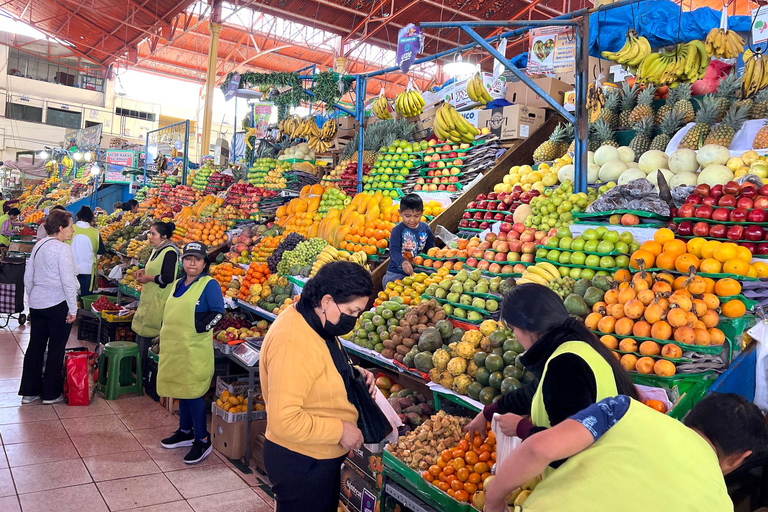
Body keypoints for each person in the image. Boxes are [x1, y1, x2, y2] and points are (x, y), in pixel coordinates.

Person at [484, 393, 767, 512]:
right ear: (742, 457)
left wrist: (494, 501)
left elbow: (539, 447)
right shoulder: (719, 506)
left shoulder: (623, 409)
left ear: (690, 415)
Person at [465, 284, 638, 461]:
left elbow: (566, 451)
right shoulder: (573, 343)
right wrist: (489, 412)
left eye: (513, 329)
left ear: (530, 330)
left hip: (591, 471)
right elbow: (537, 391)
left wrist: (521, 428)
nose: (515, 336)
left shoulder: (564, 366)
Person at [260, 261, 377, 512]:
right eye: (352, 311)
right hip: (302, 461)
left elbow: (316, 367)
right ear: (326, 301)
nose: (354, 319)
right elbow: (284, 419)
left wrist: (351, 374)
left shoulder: (315, 321)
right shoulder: (292, 341)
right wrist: (340, 431)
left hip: (317, 456)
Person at [157, 242, 224, 464]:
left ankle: (202, 439)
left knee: (194, 393)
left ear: (205, 263)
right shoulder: (177, 284)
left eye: (197, 259)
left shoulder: (209, 285)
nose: (192, 263)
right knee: (180, 389)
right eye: (188, 259)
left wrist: (199, 328)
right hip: (175, 348)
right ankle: (184, 431)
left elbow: (218, 313)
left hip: (194, 349)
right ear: (182, 262)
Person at [18, 209, 78, 405]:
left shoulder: (38, 246)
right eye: (70, 226)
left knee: (35, 346)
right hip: (57, 303)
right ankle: (51, 394)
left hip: (37, 304)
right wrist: (73, 309)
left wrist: (32, 298)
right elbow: (68, 282)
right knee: (56, 348)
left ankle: (29, 392)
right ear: (61, 228)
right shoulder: (63, 249)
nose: (73, 230)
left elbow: (29, 276)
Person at [131, 221, 179, 380]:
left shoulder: (170, 252)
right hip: (149, 298)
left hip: (160, 300)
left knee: (150, 337)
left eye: (153, 234)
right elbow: (155, 269)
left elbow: (167, 277)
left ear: (164, 236)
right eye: (149, 233)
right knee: (141, 332)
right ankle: (138, 370)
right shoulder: (156, 250)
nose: (150, 237)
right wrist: (143, 272)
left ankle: (146, 375)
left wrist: (148, 278)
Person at [382, 193, 435, 287]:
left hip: (417, 271)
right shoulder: (397, 230)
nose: (412, 220)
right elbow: (394, 251)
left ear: (422, 212)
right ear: (400, 213)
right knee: (390, 289)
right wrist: (403, 262)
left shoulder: (425, 228)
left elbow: (430, 249)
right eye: (407, 216)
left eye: (416, 216)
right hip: (397, 271)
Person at [69, 206, 106, 295]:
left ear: (77, 217)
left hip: (70, 269)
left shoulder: (70, 229)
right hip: (88, 270)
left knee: (70, 296)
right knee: (85, 297)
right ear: (91, 219)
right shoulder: (95, 232)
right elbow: (101, 251)